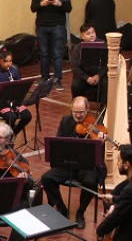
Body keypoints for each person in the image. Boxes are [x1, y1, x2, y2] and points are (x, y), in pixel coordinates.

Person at [40, 98, 102, 229]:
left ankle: (81, 212)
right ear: (71, 110)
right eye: (76, 112)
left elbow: (98, 152)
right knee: (47, 178)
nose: (79, 115)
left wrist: (100, 143)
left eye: (81, 112)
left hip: (86, 165)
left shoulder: (96, 122)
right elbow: (58, 142)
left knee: (91, 182)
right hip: (67, 163)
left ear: (87, 110)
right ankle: (62, 208)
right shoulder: (65, 121)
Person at [31, 0, 72, 90]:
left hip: (57, 26)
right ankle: (44, 77)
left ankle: (57, 79)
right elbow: (33, 8)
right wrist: (41, 4)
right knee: (43, 53)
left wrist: (60, 4)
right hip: (42, 26)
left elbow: (68, 8)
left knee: (57, 54)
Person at [0, 50, 32, 137]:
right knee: (12, 117)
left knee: (27, 116)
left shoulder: (14, 71)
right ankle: (4, 136)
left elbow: (20, 84)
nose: (9, 64)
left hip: (14, 100)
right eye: (6, 61)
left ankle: (13, 133)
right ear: (0, 61)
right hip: (0, 102)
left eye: (10, 61)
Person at [69, 24, 105, 102]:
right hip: (83, 75)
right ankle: (77, 105)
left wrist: (99, 75)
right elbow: (74, 67)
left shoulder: (103, 45)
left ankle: (104, 107)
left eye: (93, 32)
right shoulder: (77, 48)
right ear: (82, 36)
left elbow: (106, 64)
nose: (91, 35)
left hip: (99, 74)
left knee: (106, 84)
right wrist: (87, 78)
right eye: (88, 33)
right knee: (76, 85)